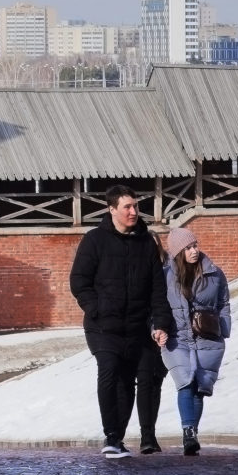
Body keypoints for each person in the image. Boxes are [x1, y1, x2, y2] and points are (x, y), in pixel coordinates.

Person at [68, 186, 171, 458]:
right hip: (102, 326)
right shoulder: (94, 240)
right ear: (111, 209)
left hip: (136, 327)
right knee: (110, 370)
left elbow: (157, 289)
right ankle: (111, 436)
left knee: (128, 380)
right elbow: (79, 281)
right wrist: (96, 308)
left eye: (135, 206)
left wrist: (160, 323)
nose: (133, 212)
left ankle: (119, 437)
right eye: (127, 207)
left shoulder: (146, 243)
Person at [160, 227, 232, 457]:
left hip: (207, 337)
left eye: (195, 245)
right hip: (177, 337)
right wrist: (156, 329)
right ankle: (188, 431)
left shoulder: (214, 274)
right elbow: (157, 308)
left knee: (200, 388)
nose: (194, 250)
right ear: (178, 252)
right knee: (185, 382)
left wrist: (223, 327)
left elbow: (224, 303)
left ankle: (192, 434)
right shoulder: (166, 276)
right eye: (188, 247)